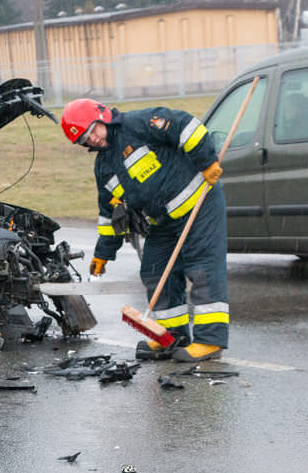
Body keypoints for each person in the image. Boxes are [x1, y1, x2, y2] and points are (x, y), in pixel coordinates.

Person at [61, 98, 228, 362]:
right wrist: (103, 254)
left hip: (199, 202)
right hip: (162, 220)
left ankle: (210, 341)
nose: (91, 139)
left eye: (92, 130)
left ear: (102, 116)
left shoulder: (139, 123)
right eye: (84, 138)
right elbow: (109, 214)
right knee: (154, 270)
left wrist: (207, 162)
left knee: (202, 268)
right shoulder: (104, 167)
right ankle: (171, 336)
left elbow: (187, 128)